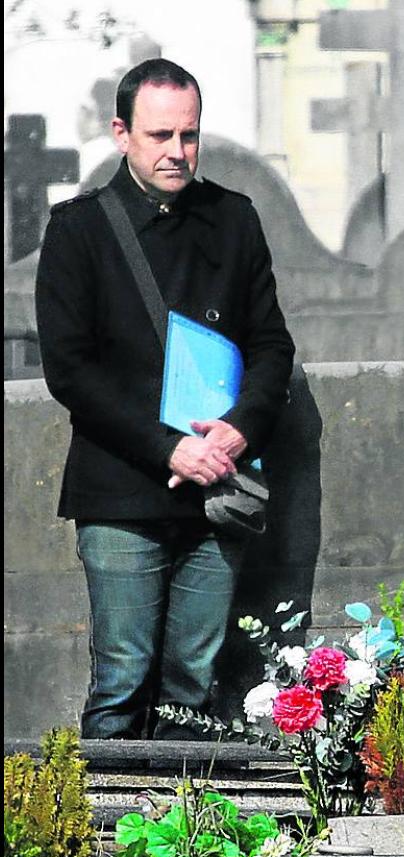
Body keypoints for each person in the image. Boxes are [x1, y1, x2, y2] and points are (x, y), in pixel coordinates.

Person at [36, 58, 295, 740]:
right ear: (122, 134)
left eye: (189, 134)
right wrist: (168, 446)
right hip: (121, 488)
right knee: (121, 679)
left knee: (195, 688)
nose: (177, 151)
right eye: (160, 136)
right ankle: (101, 845)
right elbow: (71, 370)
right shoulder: (78, 229)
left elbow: (272, 346)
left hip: (217, 485)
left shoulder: (233, 220)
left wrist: (238, 431)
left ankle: (189, 843)